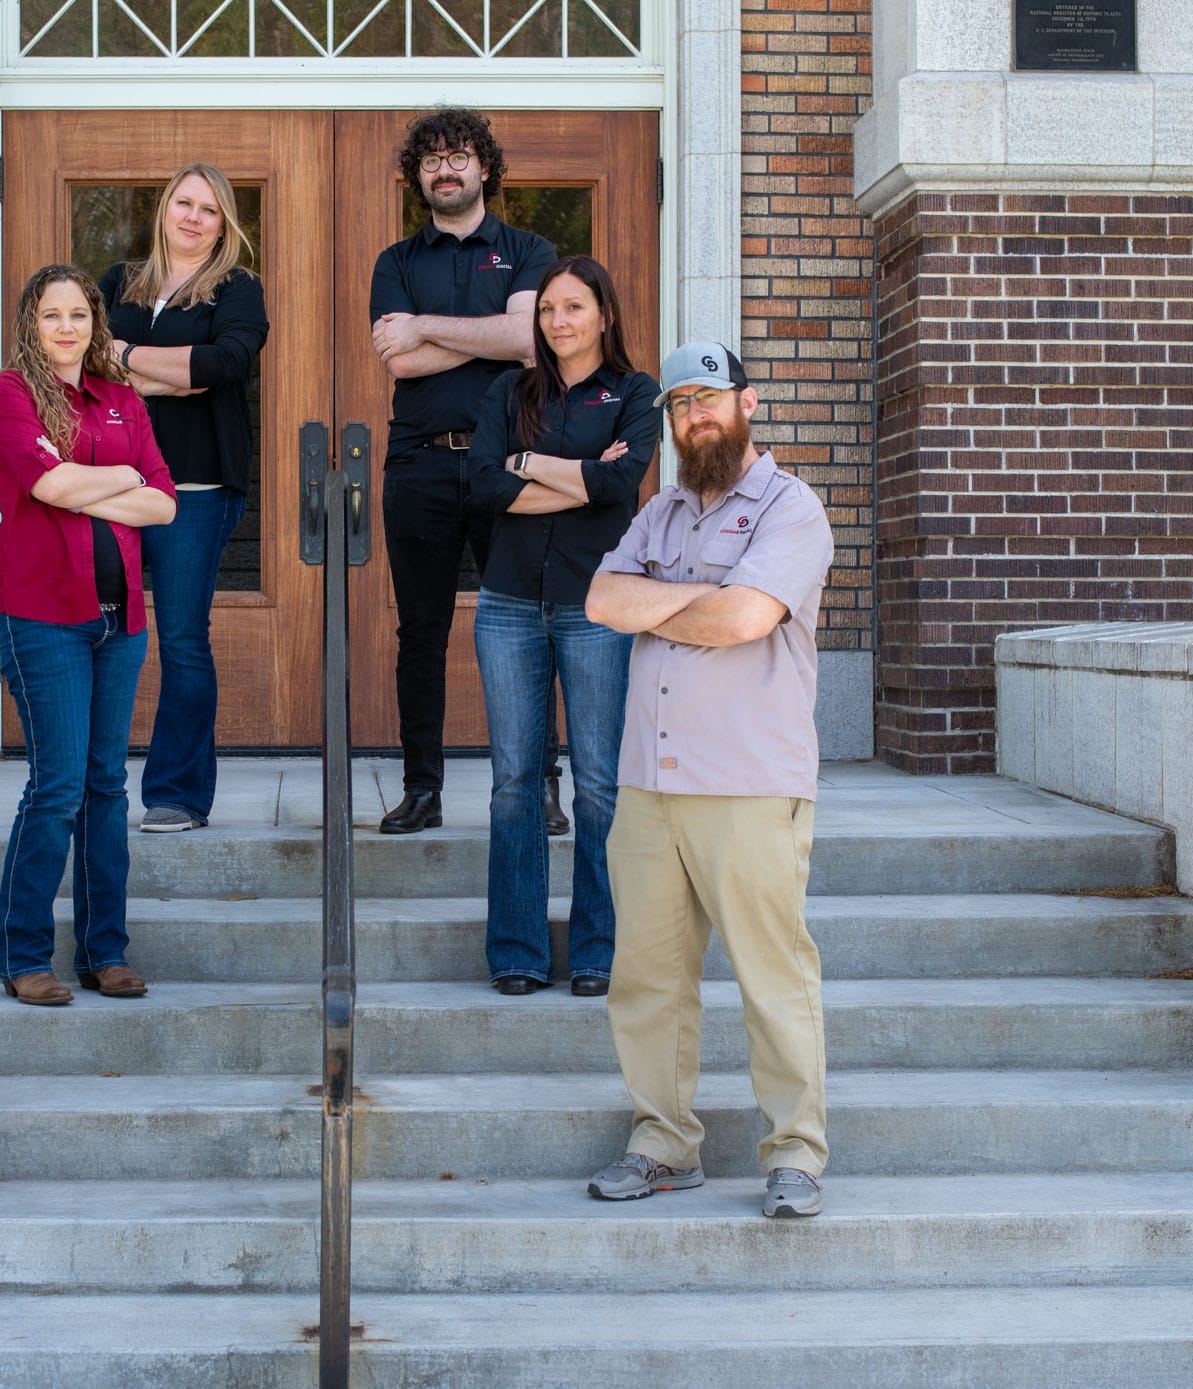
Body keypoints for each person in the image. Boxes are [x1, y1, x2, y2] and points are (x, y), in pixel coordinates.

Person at [582, 342, 836, 1219]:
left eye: (710, 397)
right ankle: (664, 1143)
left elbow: (747, 618)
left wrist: (671, 603)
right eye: (681, 402)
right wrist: (704, 601)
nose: (695, 414)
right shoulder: (660, 512)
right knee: (647, 977)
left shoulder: (791, 510)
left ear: (748, 403)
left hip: (750, 783)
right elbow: (602, 601)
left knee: (773, 974)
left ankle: (796, 1151)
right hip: (650, 784)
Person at [0, 265, 178, 1006]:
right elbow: (49, 487)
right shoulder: (12, 395)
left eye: (78, 314)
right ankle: (26, 952)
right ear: (30, 324)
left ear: (95, 324)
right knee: (57, 784)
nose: (66, 328)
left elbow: (163, 506)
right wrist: (122, 473)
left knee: (105, 785)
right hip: (42, 619)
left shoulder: (122, 398)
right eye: (50, 315)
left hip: (118, 620)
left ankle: (105, 951)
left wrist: (95, 480)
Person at [465, 257, 659, 998]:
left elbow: (620, 486)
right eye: (548, 309)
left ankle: (597, 949)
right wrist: (568, 473)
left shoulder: (635, 393)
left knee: (600, 784)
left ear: (604, 314)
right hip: (509, 603)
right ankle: (516, 949)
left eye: (573, 307)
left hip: (596, 607)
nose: (558, 322)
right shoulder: (507, 391)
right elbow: (484, 484)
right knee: (515, 781)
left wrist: (531, 468)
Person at [370, 106, 565, 836]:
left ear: (485, 167)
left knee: (523, 625)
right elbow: (399, 357)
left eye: (458, 157)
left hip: (509, 463)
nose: (445, 170)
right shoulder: (397, 262)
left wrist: (427, 324)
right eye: (431, 162)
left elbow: (529, 339)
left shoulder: (526, 248)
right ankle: (423, 789)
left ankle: (540, 786)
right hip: (418, 465)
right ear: (418, 177)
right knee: (420, 633)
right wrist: (485, 335)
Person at [101, 163, 269, 833]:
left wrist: (127, 359)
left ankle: (177, 793)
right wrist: (173, 374)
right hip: (112, 484)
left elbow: (222, 365)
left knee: (181, 639)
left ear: (224, 225)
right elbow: (86, 360)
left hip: (193, 490)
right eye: (185, 203)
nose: (195, 217)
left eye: (210, 210)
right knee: (97, 631)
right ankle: (89, 775)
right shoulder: (119, 282)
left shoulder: (236, 289)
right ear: (164, 208)